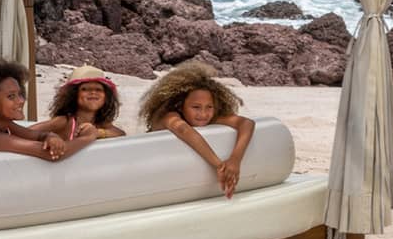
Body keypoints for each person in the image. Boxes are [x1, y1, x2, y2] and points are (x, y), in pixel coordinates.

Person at [0, 58, 102, 160]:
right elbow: (52, 155)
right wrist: (88, 137)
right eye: (11, 96)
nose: (21, 100)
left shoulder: (5, 126)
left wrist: (50, 136)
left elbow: (36, 135)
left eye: (19, 94)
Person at [138, 59, 255, 197]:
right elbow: (183, 129)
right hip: (151, 169)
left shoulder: (208, 118)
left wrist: (235, 160)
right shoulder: (168, 116)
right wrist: (219, 165)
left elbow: (246, 123)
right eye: (196, 107)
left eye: (209, 107)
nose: (203, 114)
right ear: (180, 105)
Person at [46, 65, 125, 141]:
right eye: (85, 89)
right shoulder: (64, 120)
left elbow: (121, 134)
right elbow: (33, 132)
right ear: (73, 94)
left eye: (98, 89)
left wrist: (98, 133)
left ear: (106, 96)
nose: (93, 92)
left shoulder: (100, 122)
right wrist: (50, 138)